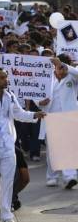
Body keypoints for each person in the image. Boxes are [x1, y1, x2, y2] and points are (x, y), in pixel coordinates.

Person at [0, 68, 46, 222]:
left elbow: (19, 113)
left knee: (8, 178)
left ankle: (6, 213)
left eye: (6, 77)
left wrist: (34, 115)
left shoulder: (10, 96)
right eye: (2, 77)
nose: (6, 80)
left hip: (7, 144)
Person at [35, 55, 78, 188]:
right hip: (51, 116)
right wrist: (39, 103)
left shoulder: (72, 76)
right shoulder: (46, 77)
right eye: (59, 66)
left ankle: (69, 176)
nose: (62, 68)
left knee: (68, 147)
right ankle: (52, 176)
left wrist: (65, 66)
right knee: (52, 148)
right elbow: (37, 94)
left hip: (69, 116)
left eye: (65, 65)